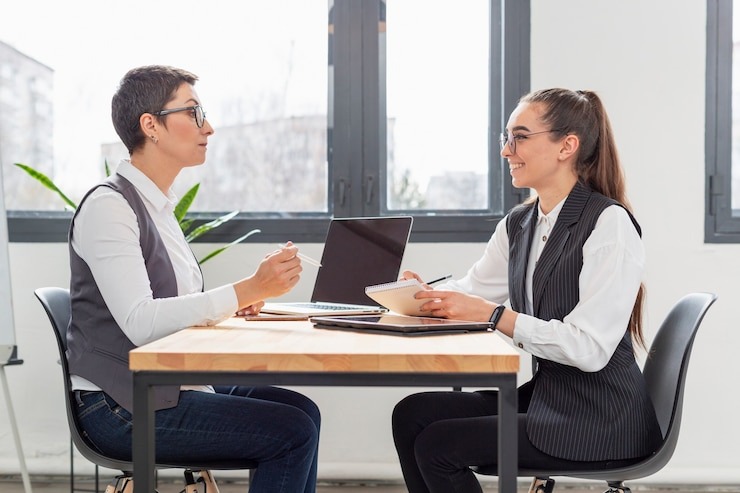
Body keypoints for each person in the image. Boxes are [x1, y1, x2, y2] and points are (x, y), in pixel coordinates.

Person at [391, 88, 662, 493]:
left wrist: (494, 316)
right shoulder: (520, 222)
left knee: (438, 446)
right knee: (411, 415)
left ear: (566, 146)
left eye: (520, 137)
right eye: (506, 137)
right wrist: (417, 295)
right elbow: (474, 290)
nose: (506, 151)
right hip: (550, 398)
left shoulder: (609, 225)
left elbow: (588, 349)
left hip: (601, 419)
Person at [66, 65, 320, 493]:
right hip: (116, 407)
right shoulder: (109, 208)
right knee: (290, 431)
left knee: (301, 411)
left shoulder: (157, 210)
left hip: (161, 385)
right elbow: (142, 321)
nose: (210, 127)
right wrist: (249, 288)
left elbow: (175, 309)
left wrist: (240, 300)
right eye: (194, 112)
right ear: (151, 126)